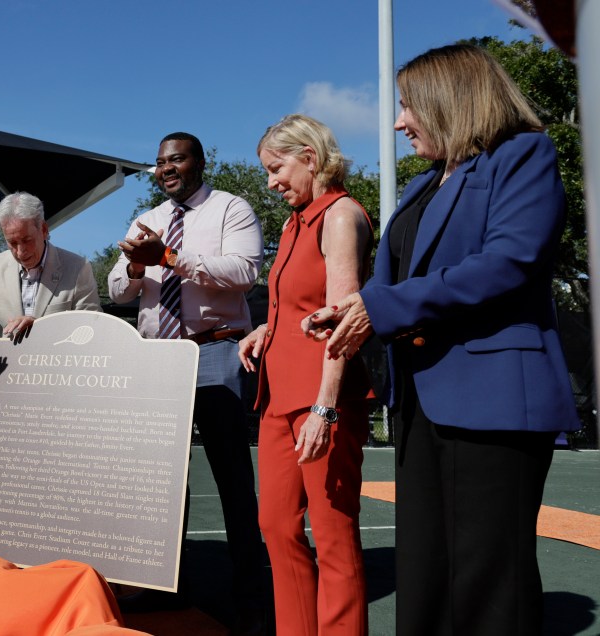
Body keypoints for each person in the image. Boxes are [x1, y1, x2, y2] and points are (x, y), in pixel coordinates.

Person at [303, 44, 580, 636]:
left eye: (408, 106)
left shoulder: (523, 154)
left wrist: (382, 307)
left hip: (495, 400)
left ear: (451, 101)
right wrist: (350, 310)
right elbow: (395, 281)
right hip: (419, 402)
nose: (398, 123)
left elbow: (508, 261)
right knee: (424, 573)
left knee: (488, 582)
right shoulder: (421, 185)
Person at [107, 132, 266, 635]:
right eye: (160, 162)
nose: (166, 169)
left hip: (215, 349)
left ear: (199, 162)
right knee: (161, 483)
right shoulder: (148, 218)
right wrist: (137, 264)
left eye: (176, 159)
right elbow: (118, 289)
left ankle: (251, 595)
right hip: (157, 359)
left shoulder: (231, 209)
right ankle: (166, 586)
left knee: (232, 478)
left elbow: (245, 271)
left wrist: (170, 257)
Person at [238, 114, 372, 636]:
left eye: (276, 168)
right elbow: (298, 303)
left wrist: (325, 408)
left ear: (310, 158)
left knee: (334, 536)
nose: (271, 182)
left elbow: (341, 321)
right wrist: (266, 329)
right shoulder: (295, 222)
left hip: (323, 399)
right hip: (277, 400)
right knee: (275, 526)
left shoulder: (339, 216)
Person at [0, 191, 101, 359]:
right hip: (11, 369)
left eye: (27, 240)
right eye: (12, 243)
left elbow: (90, 327)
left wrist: (40, 328)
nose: (21, 252)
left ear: (44, 229)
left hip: (58, 367)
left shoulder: (78, 268)